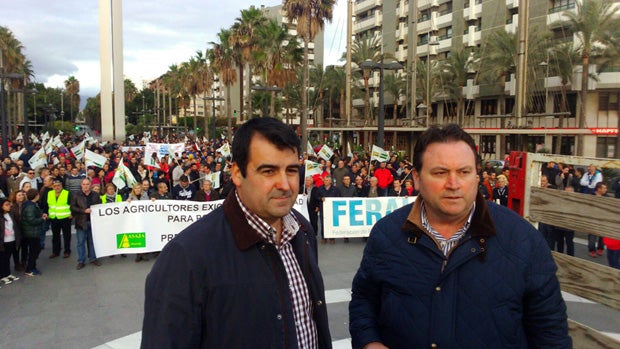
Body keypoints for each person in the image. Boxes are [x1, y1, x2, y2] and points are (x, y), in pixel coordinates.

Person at [349, 124, 571, 349]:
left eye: (464, 172)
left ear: (476, 176)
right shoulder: (386, 235)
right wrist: (369, 342)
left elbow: (551, 333)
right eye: (440, 173)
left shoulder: (523, 240)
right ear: (416, 178)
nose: (453, 184)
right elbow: (363, 300)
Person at [142, 117, 331, 348]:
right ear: (237, 174)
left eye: (291, 170)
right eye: (268, 171)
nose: (285, 184)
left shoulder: (302, 230)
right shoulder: (186, 257)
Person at [71, 178, 103, 270]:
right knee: (80, 242)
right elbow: (72, 207)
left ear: (90, 185)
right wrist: (84, 211)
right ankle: (81, 261)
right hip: (81, 222)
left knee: (92, 242)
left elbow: (99, 206)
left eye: (87, 184)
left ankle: (93, 258)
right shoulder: (76, 195)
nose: (85, 186)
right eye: (84, 184)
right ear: (81, 185)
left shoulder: (95, 195)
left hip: (93, 222)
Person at [22, 189, 46, 276]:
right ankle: (29, 269)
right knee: (34, 250)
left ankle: (32, 267)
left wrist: (41, 215)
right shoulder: (30, 206)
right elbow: (31, 220)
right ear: (36, 196)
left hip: (31, 231)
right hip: (32, 232)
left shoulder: (30, 205)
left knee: (35, 249)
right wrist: (42, 219)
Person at [46, 178, 73, 259]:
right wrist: (46, 213)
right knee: (55, 236)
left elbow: (73, 204)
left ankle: (67, 251)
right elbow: (46, 204)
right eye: (55, 186)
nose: (57, 187)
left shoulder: (67, 193)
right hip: (54, 218)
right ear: (52, 187)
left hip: (65, 217)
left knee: (67, 236)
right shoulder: (49, 193)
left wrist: (72, 214)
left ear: (61, 186)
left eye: (58, 185)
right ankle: (55, 252)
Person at [126, 183, 150, 262]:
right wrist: (127, 202)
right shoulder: (130, 196)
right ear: (133, 189)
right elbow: (126, 206)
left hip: (144, 218)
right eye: (136, 188)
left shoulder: (145, 195)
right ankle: (138, 254)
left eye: (139, 188)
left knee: (145, 235)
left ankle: (144, 253)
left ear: (141, 189)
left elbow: (148, 205)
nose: (137, 190)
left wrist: (152, 201)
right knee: (137, 236)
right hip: (135, 220)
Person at [0, 198, 20, 285]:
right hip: (3, 241)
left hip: (11, 239)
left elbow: (14, 226)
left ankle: (7, 274)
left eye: (9, 204)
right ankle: (2, 276)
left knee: (8, 258)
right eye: (6, 205)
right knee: (2, 259)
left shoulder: (10, 214)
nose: (9, 206)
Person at [587, 182, 607, 258]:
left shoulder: (606, 197)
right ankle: (592, 250)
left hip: (603, 219)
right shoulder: (591, 196)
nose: (606, 190)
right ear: (599, 189)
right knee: (592, 236)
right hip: (592, 218)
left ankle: (600, 248)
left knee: (602, 236)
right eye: (604, 188)